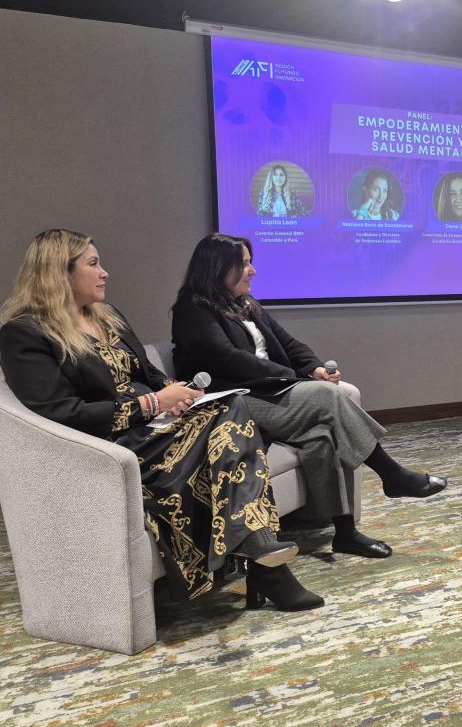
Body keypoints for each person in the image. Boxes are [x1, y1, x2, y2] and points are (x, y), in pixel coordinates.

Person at [0, 229, 322, 611]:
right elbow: (62, 413)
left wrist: (177, 393)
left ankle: (261, 557)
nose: (104, 272)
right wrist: (153, 403)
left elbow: (148, 373)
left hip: (157, 427)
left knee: (230, 406)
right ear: (59, 272)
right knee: (231, 423)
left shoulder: (108, 316)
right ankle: (266, 564)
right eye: (93, 264)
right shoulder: (25, 334)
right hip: (114, 443)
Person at [171, 233, 447, 561]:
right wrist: (294, 377)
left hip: (270, 391)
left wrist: (313, 368)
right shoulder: (194, 308)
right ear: (218, 267)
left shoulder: (244, 304)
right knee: (328, 397)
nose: (252, 270)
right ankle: (392, 474)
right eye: (244, 264)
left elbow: (289, 343)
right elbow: (228, 359)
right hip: (235, 402)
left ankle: (346, 534)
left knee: (323, 435)